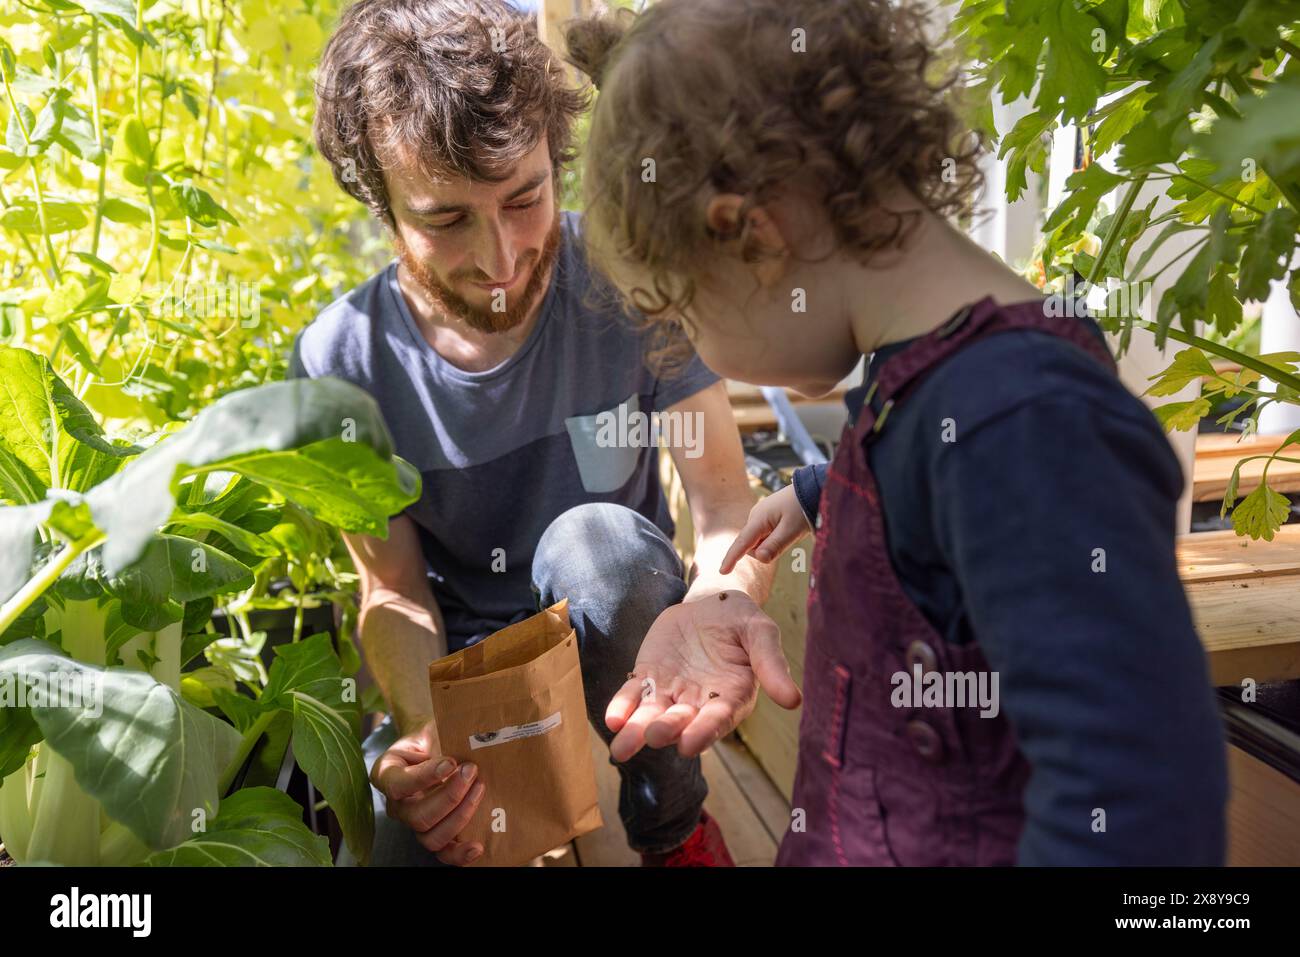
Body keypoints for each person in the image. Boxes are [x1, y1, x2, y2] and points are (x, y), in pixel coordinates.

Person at [564, 0, 1228, 865]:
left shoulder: (1022, 422)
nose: (694, 350)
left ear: (750, 236)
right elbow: (919, 457)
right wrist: (816, 491)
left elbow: (1139, 797)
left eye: (682, 311)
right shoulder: (935, 372)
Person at [291, 0, 799, 867]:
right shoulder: (343, 359)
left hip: (622, 639)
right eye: (446, 220)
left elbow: (720, 503)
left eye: (524, 197)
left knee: (595, 538)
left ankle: (674, 831)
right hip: (465, 679)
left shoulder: (627, 276)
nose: (501, 258)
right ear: (382, 208)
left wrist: (727, 598)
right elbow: (396, 589)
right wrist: (424, 734)